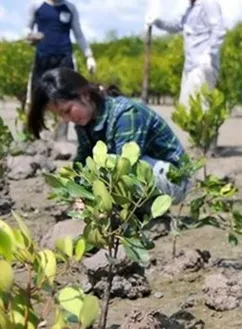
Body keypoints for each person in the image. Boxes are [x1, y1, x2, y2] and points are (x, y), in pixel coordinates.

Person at [26, 67, 191, 205]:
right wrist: (77, 193)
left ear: (84, 94)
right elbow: (83, 163)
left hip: (173, 180)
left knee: (120, 170)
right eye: (60, 116)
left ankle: (133, 216)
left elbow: (125, 168)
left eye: (67, 110)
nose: (67, 119)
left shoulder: (126, 114)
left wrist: (91, 197)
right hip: (142, 178)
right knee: (96, 172)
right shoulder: (85, 123)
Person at [25, 0, 97, 140]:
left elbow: (79, 34)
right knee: (34, 98)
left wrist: (89, 56)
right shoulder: (37, 5)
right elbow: (27, 28)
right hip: (42, 58)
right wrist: (30, 36)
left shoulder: (70, 8)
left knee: (68, 98)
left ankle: (61, 138)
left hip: (64, 58)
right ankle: (32, 136)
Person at [145, 0, 226, 108]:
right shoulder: (190, 9)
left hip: (203, 64)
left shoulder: (208, 3)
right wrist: (157, 22)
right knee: (186, 109)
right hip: (190, 66)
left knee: (200, 108)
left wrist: (209, 54)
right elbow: (176, 26)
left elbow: (219, 30)